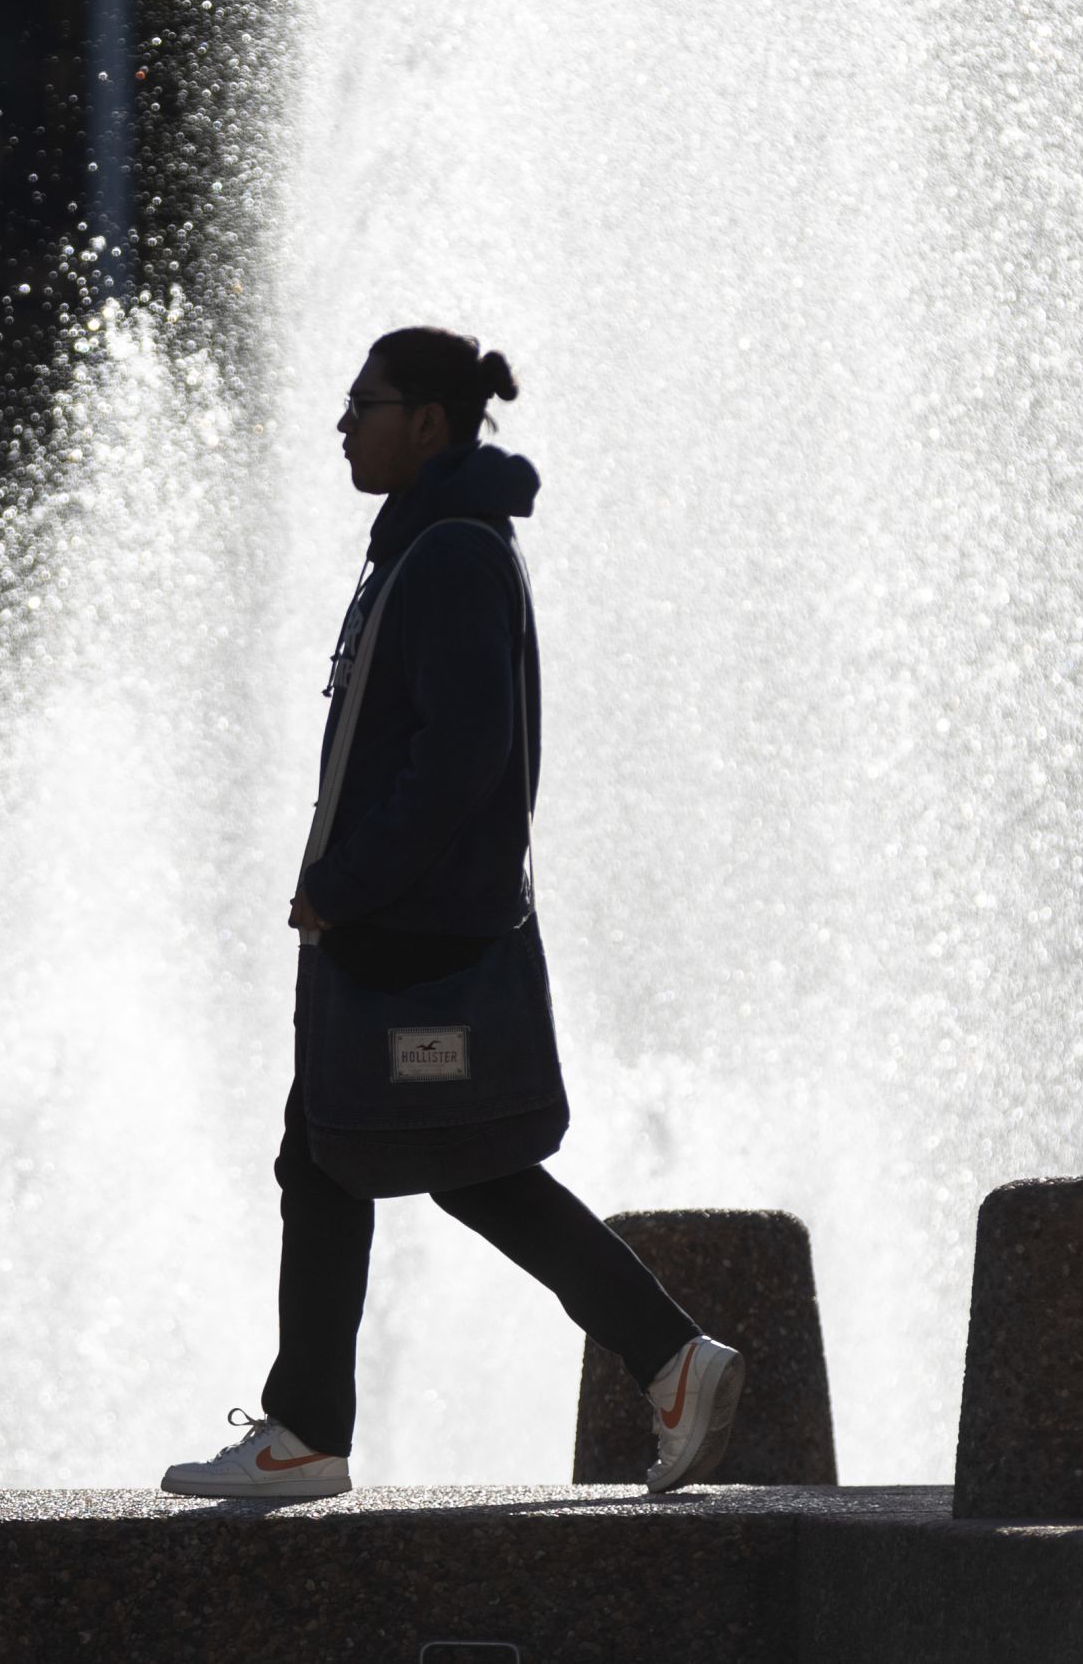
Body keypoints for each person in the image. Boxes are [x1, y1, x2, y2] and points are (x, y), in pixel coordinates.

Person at [160, 326, 744, 1501]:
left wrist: (343, 884)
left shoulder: (452, 556)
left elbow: (462, 757)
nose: (342, 425)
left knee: (395, 1158)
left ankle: (328, 1426)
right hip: (405, 929)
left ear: (427, 422)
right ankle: (322, 1424)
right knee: (362, 1155)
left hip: (405, 938)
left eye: (361, 404)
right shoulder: (429, 547)